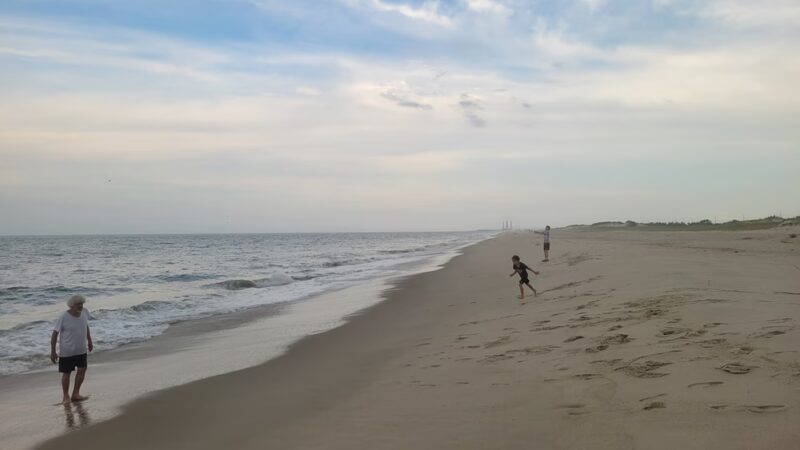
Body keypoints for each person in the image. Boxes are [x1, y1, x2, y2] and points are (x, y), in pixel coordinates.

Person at [51, 294, 93, 405]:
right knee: (66, 373)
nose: (80, 306)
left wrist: (90, 340)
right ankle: (65, 396)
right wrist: (53, 351)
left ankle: (76, 393)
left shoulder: (85, 312)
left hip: (81, 349)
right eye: (78, 304)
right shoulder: (64, 317)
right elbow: (55, 334)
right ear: (72, 305)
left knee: (82, 369)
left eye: (82, 304)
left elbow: (86, 325)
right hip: (67, 351)